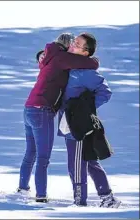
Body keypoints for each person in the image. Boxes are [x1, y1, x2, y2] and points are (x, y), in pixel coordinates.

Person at [18, 33, 99, 203]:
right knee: (43, 157)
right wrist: (95, 61)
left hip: (29, 108)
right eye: (72, 44)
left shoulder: (50, 55)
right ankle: (41, 196)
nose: (73, 47)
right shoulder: (62, 58)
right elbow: (89, 62)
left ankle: (23, 188)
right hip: (42, 110)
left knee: (30, 152)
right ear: (66, 46)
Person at [56, 33, 121, 208]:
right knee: (89, 160)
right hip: (69, 122)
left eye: (77, 44)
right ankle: (107, 198)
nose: (72, 45)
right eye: (73, 42)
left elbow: (105, 92)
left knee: (76, 165)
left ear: (85, 52)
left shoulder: (86, 73)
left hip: (77, 125)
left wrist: (85, 110)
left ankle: (79, 204)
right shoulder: (70, 65)